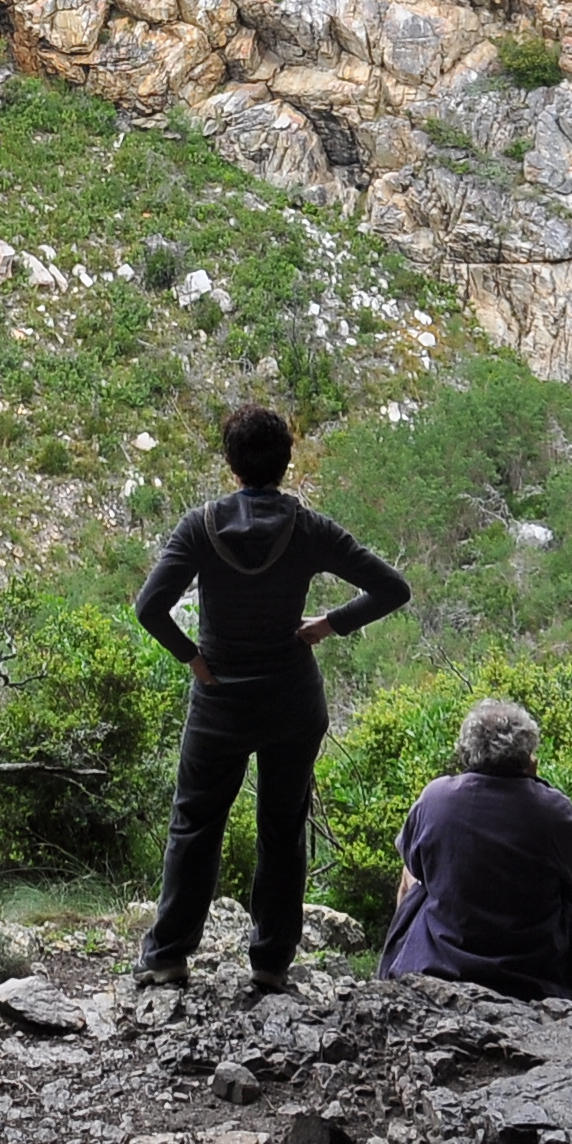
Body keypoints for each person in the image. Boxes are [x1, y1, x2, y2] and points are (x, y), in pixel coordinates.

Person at [132, 402, 411, 995]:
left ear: (231, 465)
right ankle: (269, 962)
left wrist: (195, 659)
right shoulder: (308, 529)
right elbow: (392, 587)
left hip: (219, 701)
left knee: (195, 824)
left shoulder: (199, 528)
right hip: (291, 700)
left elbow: (149, 608)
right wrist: (328, 625)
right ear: (287, 460)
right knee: (283, 827)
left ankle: (168, 956)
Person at [376, 696, 572, 1006]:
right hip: (532, 964)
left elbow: (418, 867)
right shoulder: (550, 808)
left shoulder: (435, 798)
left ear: (467, 755)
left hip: (447, 959)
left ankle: (401, 962)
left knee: (410, 869)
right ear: (528, 758)